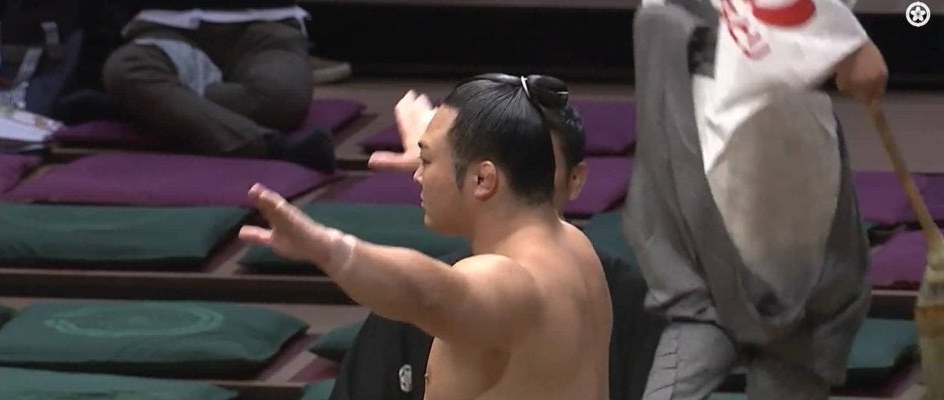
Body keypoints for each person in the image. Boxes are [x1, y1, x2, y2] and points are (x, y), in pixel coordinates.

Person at [240, 73, 613, 399]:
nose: (418, 175)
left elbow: (427, 295)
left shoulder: (510, 280)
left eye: (427, 161)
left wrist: (329, 249)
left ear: (483, 179)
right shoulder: (572, 245)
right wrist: (448, 152)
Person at [625, 0, 888, 399]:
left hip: (704, 103)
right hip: (745, 105)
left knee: (709, 311)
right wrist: (846, 42)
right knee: (793, 321)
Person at [102, 0, 335, 172]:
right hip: (165, 27)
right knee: (126, 69)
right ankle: (269, 146)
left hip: (265, 25)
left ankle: (159, 107)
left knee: (281, 99)